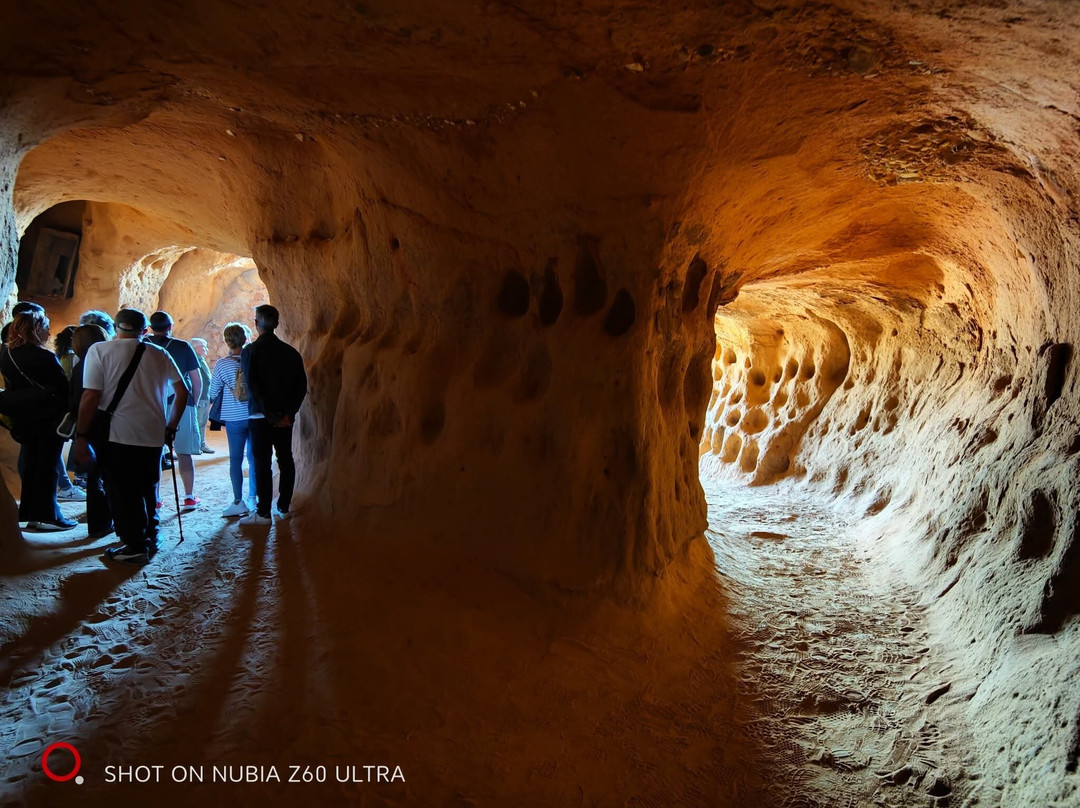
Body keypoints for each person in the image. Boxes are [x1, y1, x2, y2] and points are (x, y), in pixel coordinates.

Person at [73, 309, 188, 565]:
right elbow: (183, 391)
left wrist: (82, 434)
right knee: (148, 486)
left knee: (122, 490)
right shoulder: (160, 354)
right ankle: (150, 535)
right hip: (153, 433)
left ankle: (135, 545)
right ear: (144, 330)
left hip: (117, 433)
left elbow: (91, 395)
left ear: (116, 328)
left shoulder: (99, 351)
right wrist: (171, 426)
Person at [0, 309, 75, 530]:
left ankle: (30, 513)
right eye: (45, 327)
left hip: (24, 418)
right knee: (48, 466)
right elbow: (62, 389)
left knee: (31, 464)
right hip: (47, 419)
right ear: (35, 329)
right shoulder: (44, 356)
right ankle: (48, 516)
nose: (49, 332)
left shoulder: (6, 354)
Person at [239, 304, 306, 526]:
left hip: (260, 417)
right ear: (276, 324)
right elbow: (301, 387)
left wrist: (271, 414)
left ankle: (264, 513)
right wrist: (287, 413)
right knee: (286, 459)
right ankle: (283, 507)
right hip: (285, 418)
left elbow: (254, 387)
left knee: (261, 463)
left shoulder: (251, 351)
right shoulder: (291, 352)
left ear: (257, 324)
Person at [146, 311, 203, 511]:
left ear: (151, 327)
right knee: (183, 452)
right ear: (170, 326)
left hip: (152, 403)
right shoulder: (182, 346)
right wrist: (193, 404)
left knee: (153, 454)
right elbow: (196, 380)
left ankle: (155, 498)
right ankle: (188, 497)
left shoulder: (145, 345)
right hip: (182, 402)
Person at [209, 323, 258, 517]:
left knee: (235, 459)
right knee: (254, 458)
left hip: (233, 418)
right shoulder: (254, 361)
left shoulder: (222, 364)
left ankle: (238, 501)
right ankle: (253, 497)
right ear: (246, 339)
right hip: (255, 415)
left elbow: (212, 393)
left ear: (227, 341)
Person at [69, 324, 112, 538]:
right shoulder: (99, 361)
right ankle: (103, 522)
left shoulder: (79, 365)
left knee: (96, 475)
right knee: (104, 475)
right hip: (100, 423)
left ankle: (99, 523)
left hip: (86, 423)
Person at [52, 324, 86, 502]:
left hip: (62, 405)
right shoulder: (75, 359)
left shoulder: (60, 356)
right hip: (71, 405)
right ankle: (69, 483)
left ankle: (68, 482)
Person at [190, 337, 215, 454]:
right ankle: (198, 445)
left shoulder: (200, 360)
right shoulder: (194, 361)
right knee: (199, 422)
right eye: (203, 346)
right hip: (200, 397)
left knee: (202, 421)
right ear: (196, 348)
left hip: (204, 396)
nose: (206, 349)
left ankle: (199, 444)